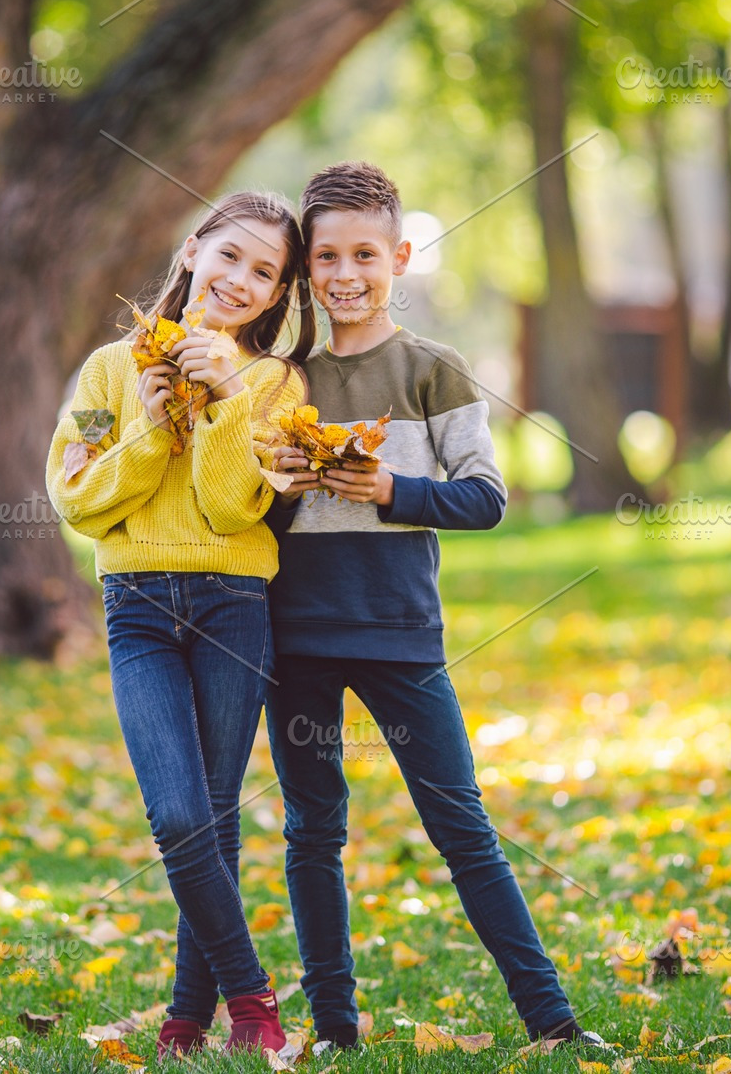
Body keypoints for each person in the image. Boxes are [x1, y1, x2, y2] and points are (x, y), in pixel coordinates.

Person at [263, 163, 606, 1053]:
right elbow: (249, 511)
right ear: (306, 269)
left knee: (463, 826)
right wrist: (281, 488)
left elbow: (486, 496)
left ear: (400, 257)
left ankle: (552, 1020)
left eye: (365, 253)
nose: (346, 273)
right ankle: (335, 1028)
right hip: (294, 636)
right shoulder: (279, 381)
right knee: (313, 832)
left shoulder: (434, 371)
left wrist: (392, 488)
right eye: (327, 255)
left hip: (400, 636)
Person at [45, 192, 314, 1056]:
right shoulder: (106, 371)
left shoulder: (275, 384)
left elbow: (234, 508)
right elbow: (77, 493)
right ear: (194, 249)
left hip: (235, 607)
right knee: (177, 813)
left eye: (265, 273)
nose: (241, 280)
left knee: (215, 812)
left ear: (276, 297)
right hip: (139, 612)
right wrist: (155, 428)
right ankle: (253, 994)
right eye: (230, 256)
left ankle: (185, 1015)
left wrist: (227, 395)